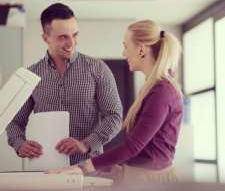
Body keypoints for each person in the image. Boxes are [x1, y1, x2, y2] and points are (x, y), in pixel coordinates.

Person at [50, 20, 183, 184]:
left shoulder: (162, 92)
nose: (123, 53)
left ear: (141, 49)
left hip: (151, 182)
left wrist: (82, 167)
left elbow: (132, 147)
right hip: (141, 176)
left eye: (126, 46)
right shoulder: (153, 88)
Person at [6, 3, 123, 165]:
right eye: (63, 37)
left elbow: (114, 117)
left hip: (89, 168)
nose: (71, 43)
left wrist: (86, 144)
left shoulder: (98, 69)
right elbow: (14, 121)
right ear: (45, 38)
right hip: (46, 168)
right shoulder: (31, 75)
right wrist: (20, 144)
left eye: (75, 35)